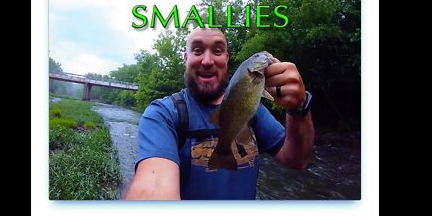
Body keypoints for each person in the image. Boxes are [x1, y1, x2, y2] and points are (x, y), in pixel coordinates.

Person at [125, 26, 315, 200]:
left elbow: (297, 160)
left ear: (226, 58)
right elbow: (154, 184)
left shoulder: (254, 110)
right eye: (197, 50)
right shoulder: (164, 114)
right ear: (186, 58)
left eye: (217, 51)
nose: (207, 61)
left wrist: (298, 109)